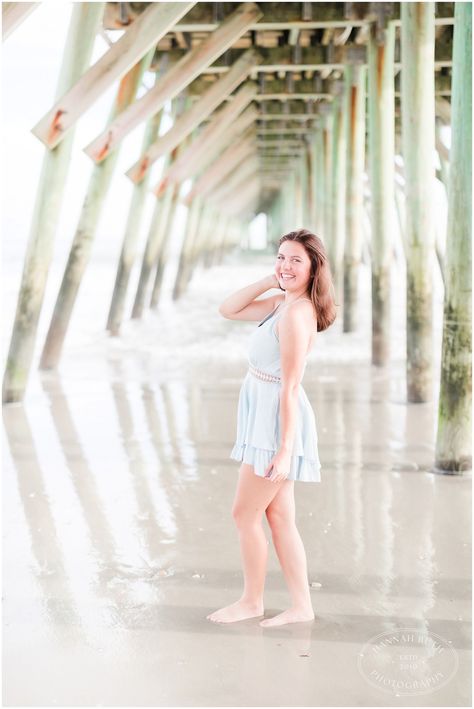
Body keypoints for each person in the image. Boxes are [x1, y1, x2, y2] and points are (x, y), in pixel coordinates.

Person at [207, 228, 337, 627]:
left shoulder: (297, 314)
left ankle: (252, 601)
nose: (286, 265)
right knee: (279, 518)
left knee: (244, 515)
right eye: (281, 257)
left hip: (275, 422)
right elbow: (228, 309)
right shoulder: (283, 303)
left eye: (296, 259)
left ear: (314, 267)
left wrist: (284, 449)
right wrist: (272, 279)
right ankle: (302, 607)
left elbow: (291, 384)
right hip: (266, 413)